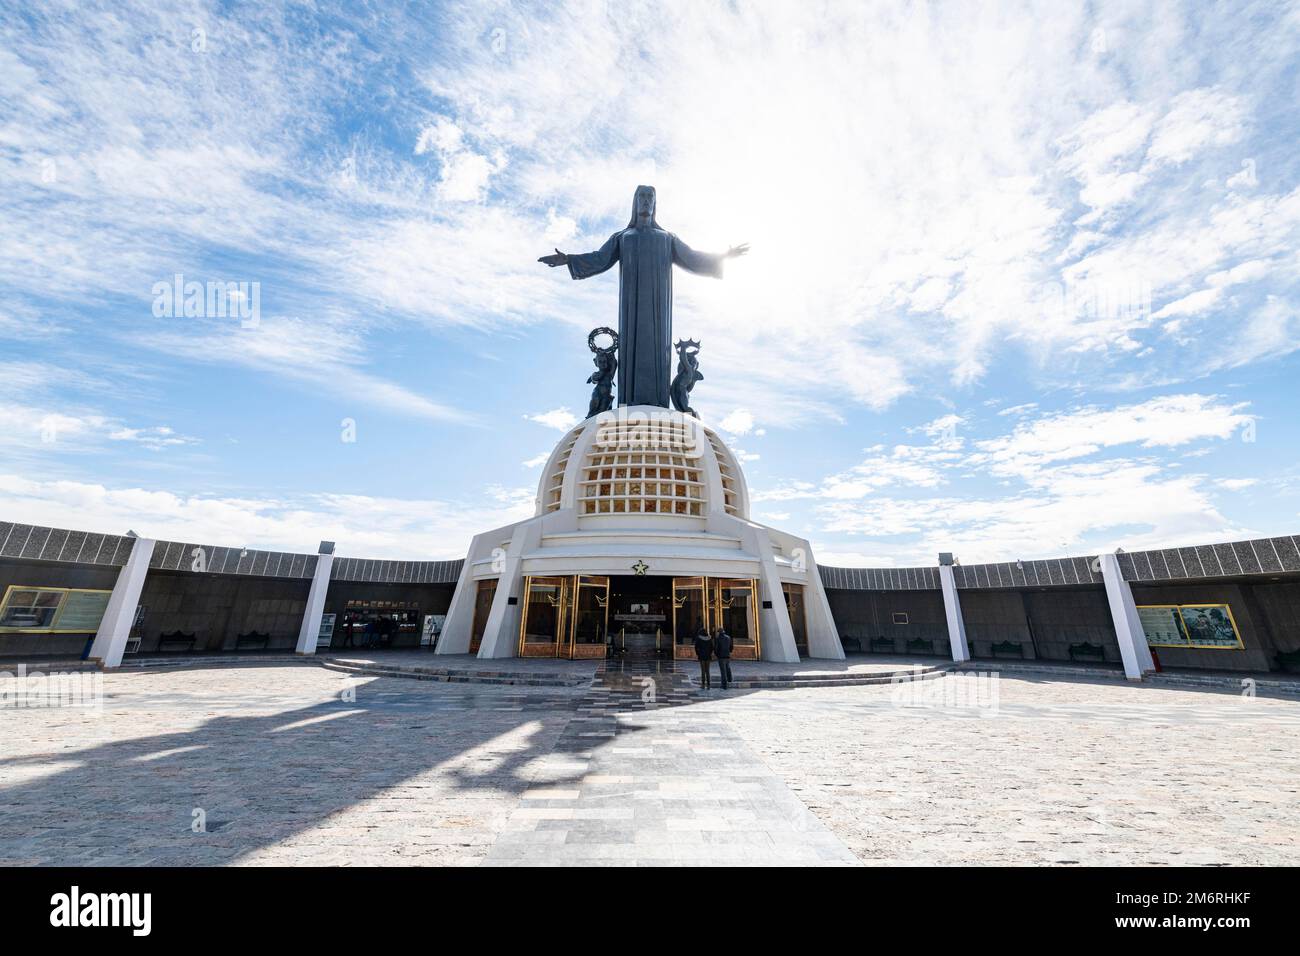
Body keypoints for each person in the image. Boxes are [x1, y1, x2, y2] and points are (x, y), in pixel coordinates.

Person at [693, 625, 713, 689]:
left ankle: (703, 684)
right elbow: (712, 647)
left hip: (702, 656)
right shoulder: (710, 638)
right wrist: (709, 653)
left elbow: (696, 647)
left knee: (703, 671)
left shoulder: (699, 638)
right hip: (708, 657)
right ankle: (709, 685)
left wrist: (698, 654)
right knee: (707, 671)